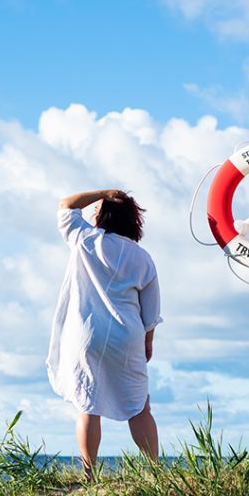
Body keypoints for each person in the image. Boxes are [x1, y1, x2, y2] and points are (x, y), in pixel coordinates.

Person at [46, 189, 162, 480]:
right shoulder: (143, 258)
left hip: (87, 334)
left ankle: (89, 474)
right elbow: (151, 312)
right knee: (139, 406)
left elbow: (66, 204)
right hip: (128, 336)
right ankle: (156, 473)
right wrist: (147, 344)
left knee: (88, 405)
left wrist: (102, 191)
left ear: (103, 214)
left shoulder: (85, 240)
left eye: (96, 208)